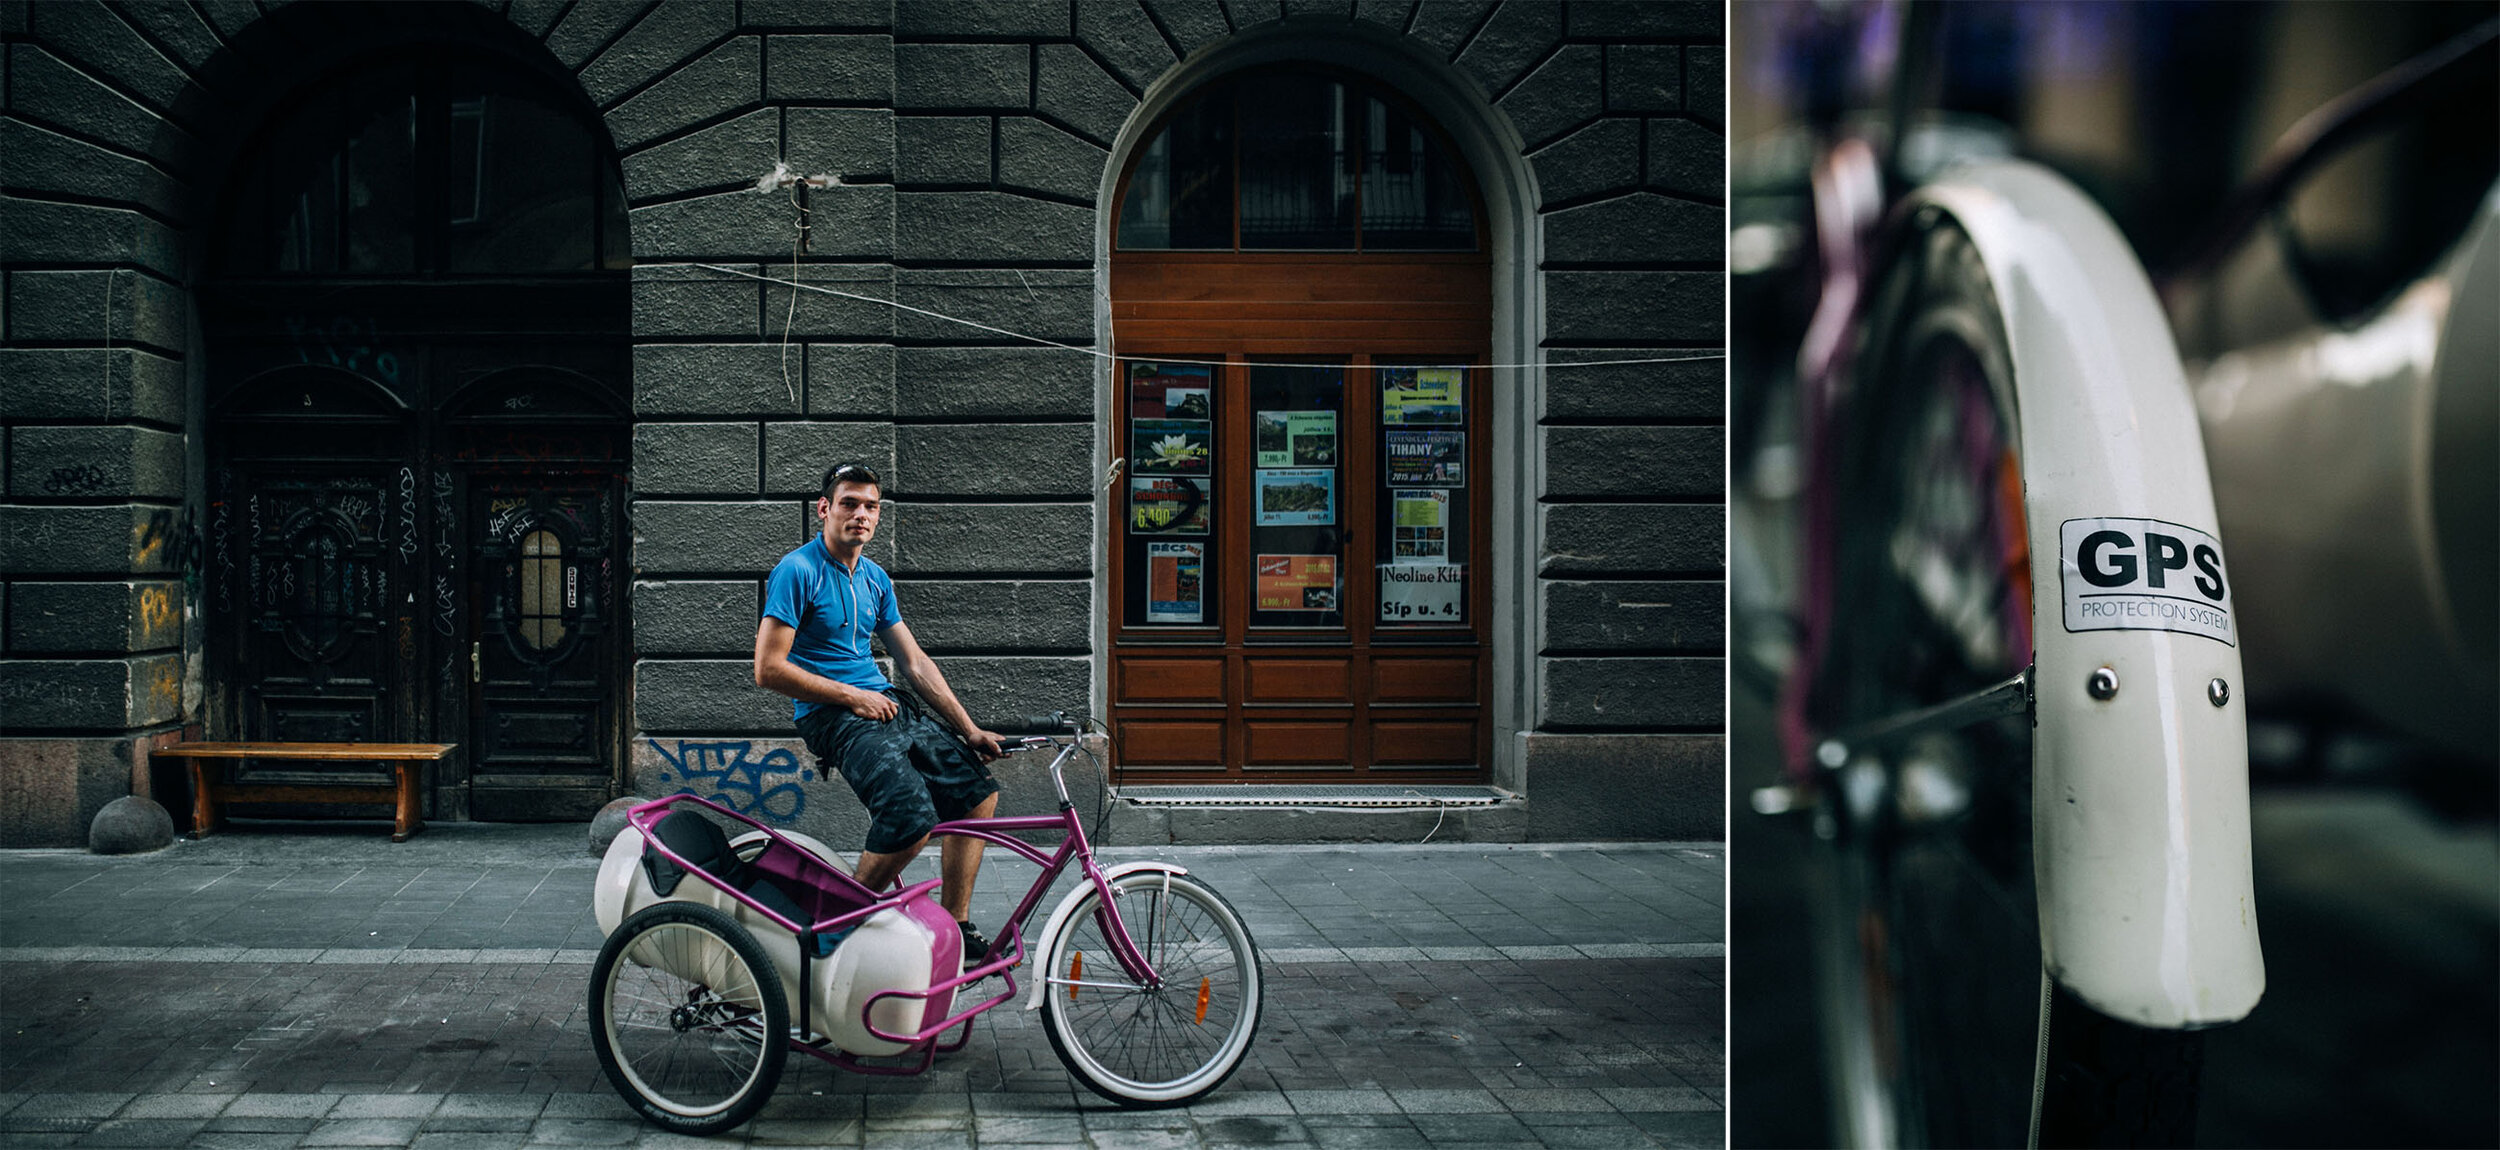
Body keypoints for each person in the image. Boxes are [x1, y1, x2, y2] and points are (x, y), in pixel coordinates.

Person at [753, 463, 1005, 963]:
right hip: (832, 714)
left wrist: (968, 728)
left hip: (883, 703)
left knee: (977, 794)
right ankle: (833, 928)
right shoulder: (797, 571)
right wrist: (850, 696)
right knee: (910, 816)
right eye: (849, 503)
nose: (860, 514)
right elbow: (768, 668)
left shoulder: (874, 578)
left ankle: (955, 926)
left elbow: (914, 662)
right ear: (824, 509)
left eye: (870, 506)